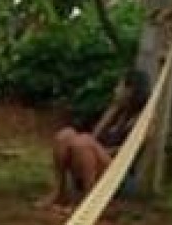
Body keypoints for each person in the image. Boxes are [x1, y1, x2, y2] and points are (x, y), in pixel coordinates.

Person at [35, 69, 150, 211]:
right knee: (66, 135)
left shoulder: (143, 122)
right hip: (93, 161)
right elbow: (95, 135)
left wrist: (95, 149)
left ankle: (89, 201)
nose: (115, 90)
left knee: (84, 142)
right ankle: (60, 191)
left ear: (130, 91)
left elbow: (126, 154)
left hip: (120, 175)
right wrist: (112, 111)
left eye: (119, 86)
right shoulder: (116, 111)